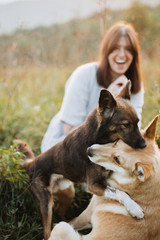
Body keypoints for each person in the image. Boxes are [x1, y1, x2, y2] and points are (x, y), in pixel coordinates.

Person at [41, 21, 144, 153]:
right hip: (66, 148)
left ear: (134, 54)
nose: (122, 55)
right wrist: (111, 102)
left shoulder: (135, 85)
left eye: (128, 49)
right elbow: (70, 131)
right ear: (106, 51)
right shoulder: (83, 74)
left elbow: (133, 131)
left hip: (107, 150)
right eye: (116, 48)